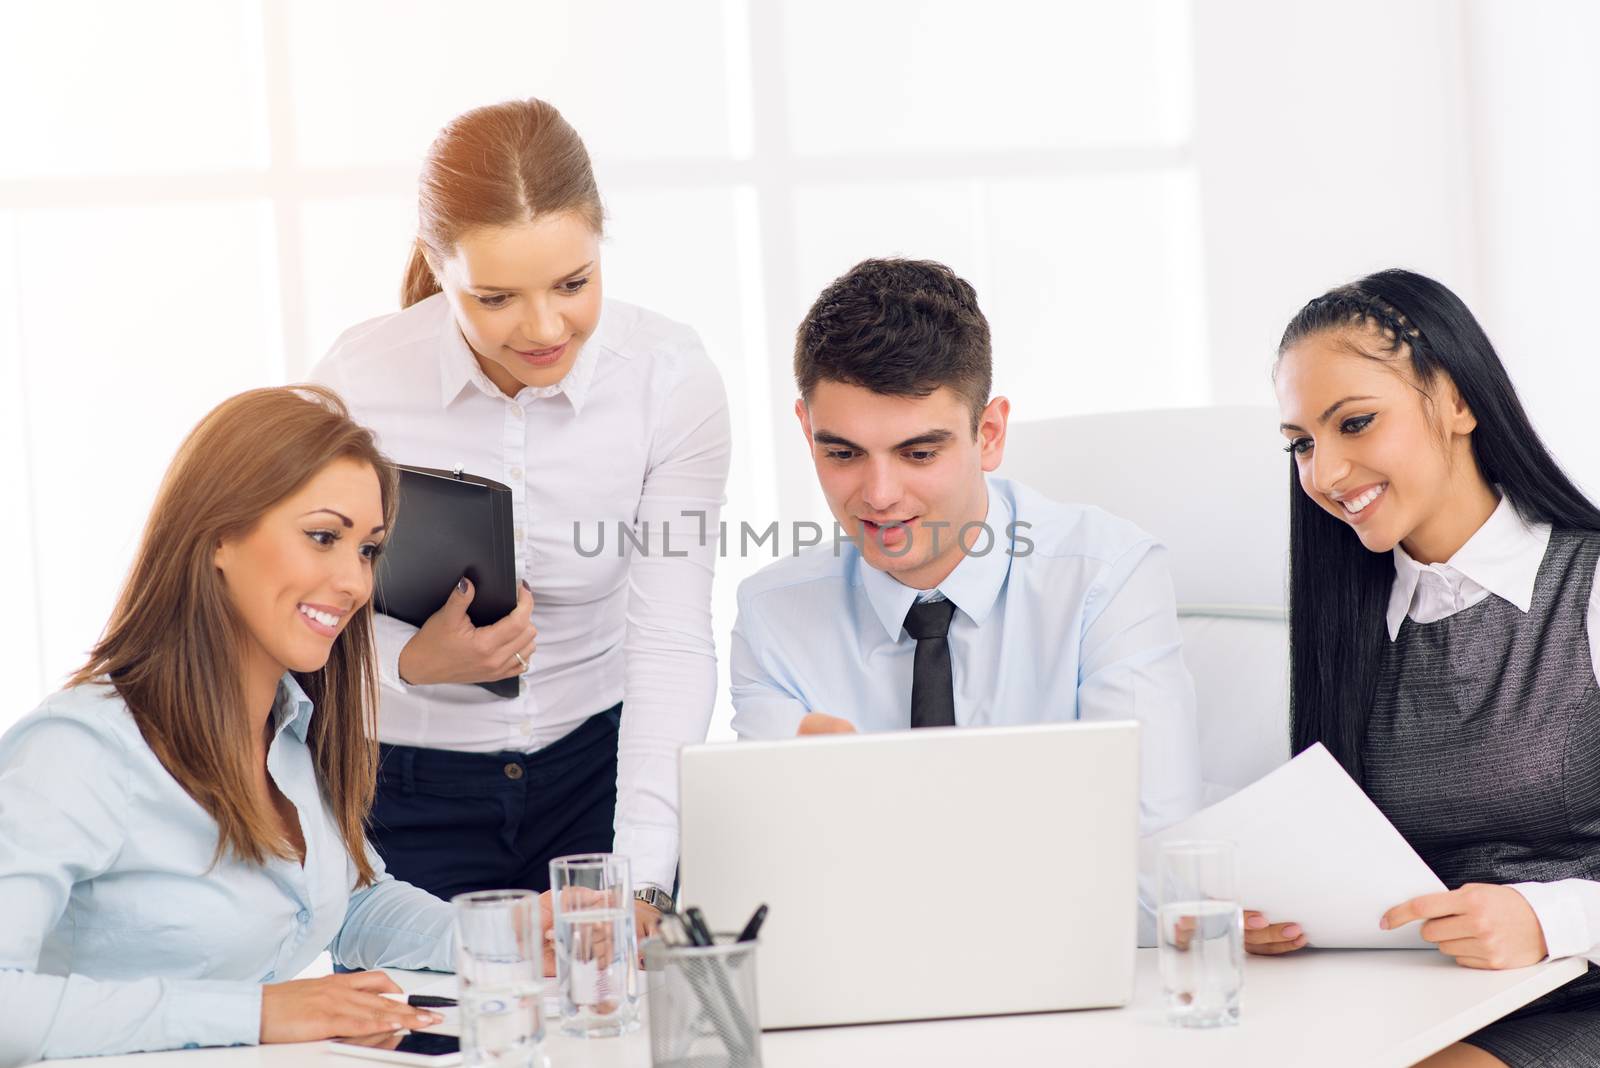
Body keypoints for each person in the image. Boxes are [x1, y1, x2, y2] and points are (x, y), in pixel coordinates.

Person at [310, 98, 730, 934]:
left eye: (574, 284)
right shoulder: (359, 381)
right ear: (437, 263)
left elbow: (671, 635)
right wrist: (406, 667)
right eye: (496, 297)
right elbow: (290, 612)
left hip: (597, 778)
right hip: (405, 790)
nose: (544, 328)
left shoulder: (670, 380)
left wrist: (645, 877)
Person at [729, 257, 1202, 919]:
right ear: (807, 430)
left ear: (990, 434)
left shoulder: (1106, 577)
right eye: (842, 454)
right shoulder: (773, 616)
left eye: (919, 453)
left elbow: (1161, 876)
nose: (880, 495)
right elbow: (774, 889)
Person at [0, 387, 455, 1065]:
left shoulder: (293, 730)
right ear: (218, 535)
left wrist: (510, 934)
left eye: (367, 550)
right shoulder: (78, 752)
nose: (356, 583)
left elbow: (351, 903)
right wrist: (260, 1013)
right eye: (323, 537)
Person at [1266, 269, 1600, 1067]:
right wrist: (1293, 916)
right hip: (1425, 1000)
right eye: (1303, 444)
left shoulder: (1587, 588)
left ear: (1456, 402)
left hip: (1579, 989)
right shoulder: (1349, 626)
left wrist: (1550, 919)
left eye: (1355, 423)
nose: (1324, 474)